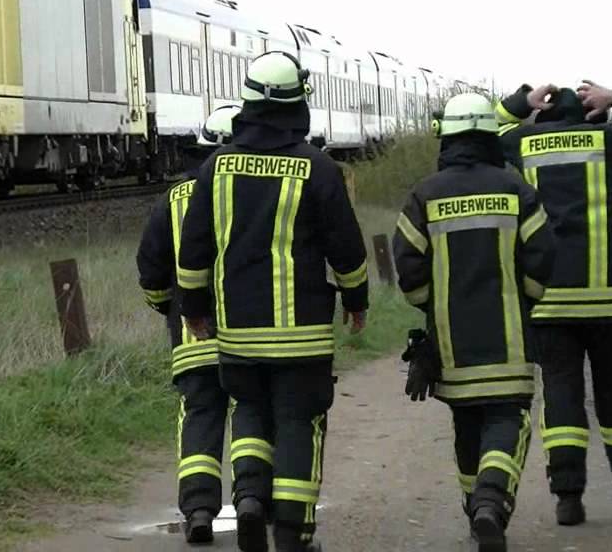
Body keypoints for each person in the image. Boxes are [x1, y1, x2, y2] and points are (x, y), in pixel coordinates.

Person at [177, 51, 369, 552]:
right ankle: (293, 535)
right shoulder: (318, 168)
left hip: (237, 334)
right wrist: (357, 299)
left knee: (253, 415)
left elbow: (194, 251)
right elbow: (345, 248)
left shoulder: (215, 168)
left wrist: (193, 308)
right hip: (302, 337)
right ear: (297, 104)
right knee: (298, 424)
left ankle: (250, 502)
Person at [495, 78, 612, 526]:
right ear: (590, 114)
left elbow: (483, 126)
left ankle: (567, 495)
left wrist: (522, 102)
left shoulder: (523, 143)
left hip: (551, 299)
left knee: (560, 391)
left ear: (543, 115)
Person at [393, 93, 556, 551]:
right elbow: (544, 257)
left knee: (467, 427)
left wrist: (431, 307)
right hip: (508, 343)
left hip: (451, 346)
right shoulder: (517, 192)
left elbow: (408, 268)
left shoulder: (425, 194)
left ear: (446, 137)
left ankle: (476, 510)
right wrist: (524, 300)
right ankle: (491, 502)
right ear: (489, 136)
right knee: (508, 419)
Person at [136, 104, 242, 545]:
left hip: (192, 338)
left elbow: (151, 269)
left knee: (200, 417)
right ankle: (257, 500)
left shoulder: (173, 200)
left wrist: (169, 309)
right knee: (254, 417)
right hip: (250, 338)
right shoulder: (255, 192)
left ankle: (198, 509)